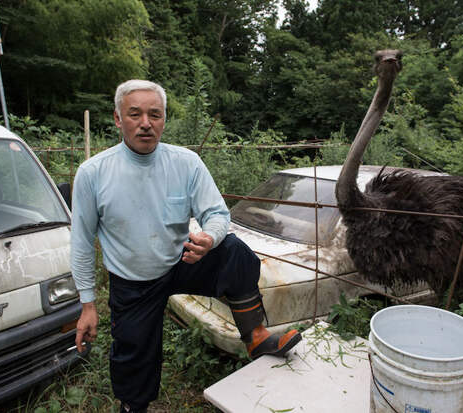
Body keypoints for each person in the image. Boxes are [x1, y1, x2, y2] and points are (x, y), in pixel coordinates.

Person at [70, 79, 302, 413]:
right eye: (135, 114)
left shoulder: (186, 162)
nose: (146, 123)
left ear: (164, 119)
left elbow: (217, 214)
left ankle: (255, 336)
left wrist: (209, 238)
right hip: (132, 280)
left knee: (234, 252)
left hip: (180, 261)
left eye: (155, 114)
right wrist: (88, 304)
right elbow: (80, 242)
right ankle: (133, 407)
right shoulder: (94, 173)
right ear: (119, 119)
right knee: (133, 352)